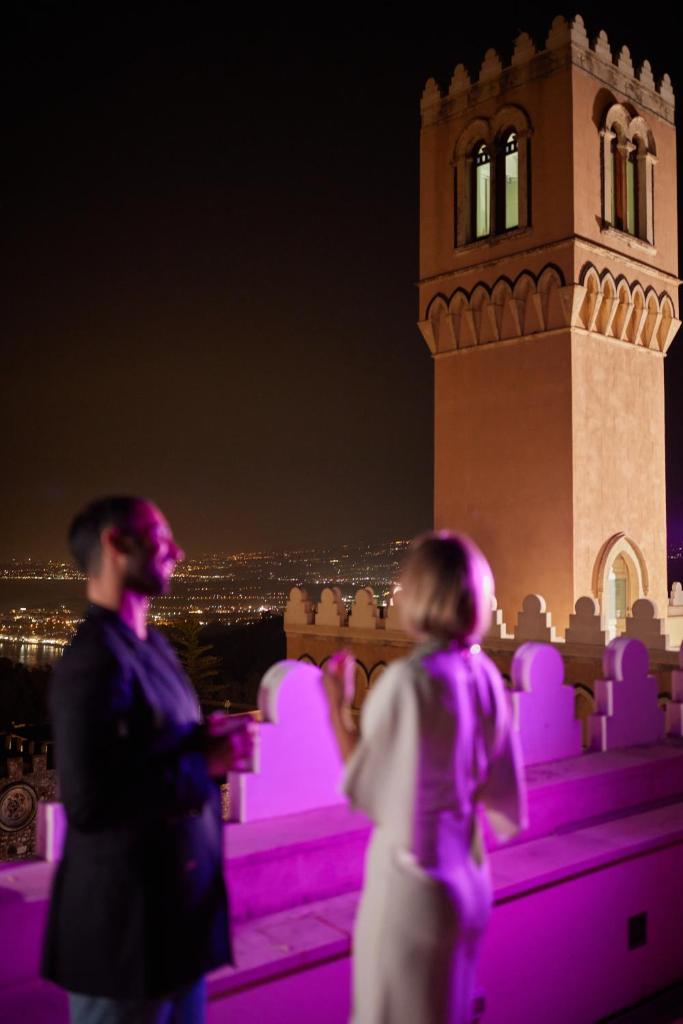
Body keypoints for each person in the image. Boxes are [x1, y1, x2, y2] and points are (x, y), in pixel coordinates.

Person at [41, 496, 255, 1024]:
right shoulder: (92, 660)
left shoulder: (151, 646)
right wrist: (203, 764)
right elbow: (91, 802)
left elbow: (146, 748)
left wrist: (203, 739)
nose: (177, 552)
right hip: (124, 944)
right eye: (161, 539)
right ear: (116, 545)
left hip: (173, 930)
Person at [323, 531, 528, 1024]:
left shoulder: (410, 682)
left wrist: (336, 707)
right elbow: (502, 791)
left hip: (413, 886)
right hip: (469, 880)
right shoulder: (483, 677)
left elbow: (370, 785)